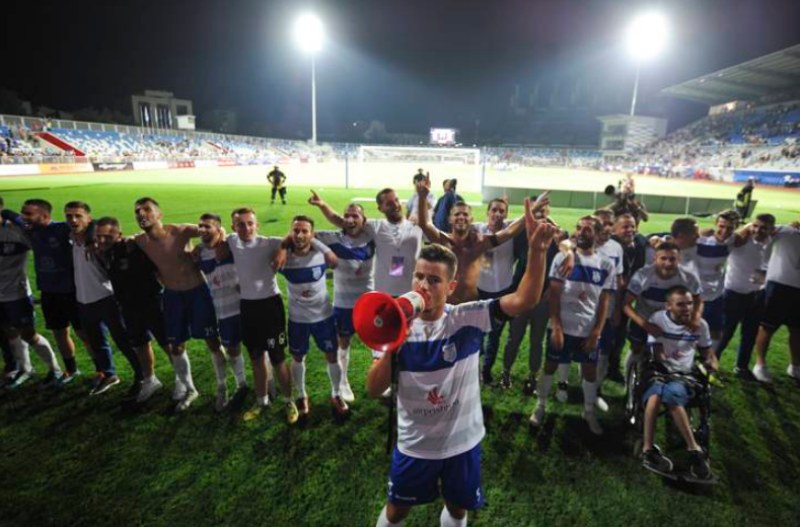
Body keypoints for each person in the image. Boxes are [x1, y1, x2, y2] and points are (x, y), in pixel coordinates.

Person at [367, 199, 559, 527]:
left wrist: (538, 251)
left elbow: (525, 299)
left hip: (462, 443)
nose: (423, 286)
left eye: (434, 280)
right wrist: (390, 349)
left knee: (457, 509)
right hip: (415, 445)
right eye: (419, 277)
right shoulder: (397, 322)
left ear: (451, 286)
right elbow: (374, 389)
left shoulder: (466, 318)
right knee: (396, 511)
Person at [133, 197, 228, 412]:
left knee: (213, 342)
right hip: (172, 296)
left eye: (147, 209)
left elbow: (214, 228)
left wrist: (217, 240)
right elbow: (119, 240)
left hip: (198, 292)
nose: (141, 214)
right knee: (176, 347)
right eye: (137, 211)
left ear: (159, 214)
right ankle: (190, 389)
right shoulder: (139, 241)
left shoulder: (180, 231)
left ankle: (222, 387)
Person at [310, 188, 423, 364]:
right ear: (380, 208)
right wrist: (322, 205)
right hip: (383, 294)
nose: (395, 204)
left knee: (408, 341)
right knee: (381, 340)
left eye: (396, 200)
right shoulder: (375, 226)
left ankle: (404, 373)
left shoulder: (415, 227)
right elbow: (342, 221)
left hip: (408, 292)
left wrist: (422, 198)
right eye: (388, 203)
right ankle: (380, 371)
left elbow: (433, 233)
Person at [530, 216, 616, 435]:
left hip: (587, 330)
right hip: (562, 328)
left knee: (589, 371)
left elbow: (604, 302)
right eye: (579, 228)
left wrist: (596, 333)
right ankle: (540, 405)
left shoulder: (606, 264)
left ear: (598, 234)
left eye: (587, 229)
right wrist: (556, 327)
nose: (580, 232)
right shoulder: (563, 257)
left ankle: (588, 411)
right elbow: (554, 295)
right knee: (550, 366)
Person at [3, 198, 88, 385]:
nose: (23, 217)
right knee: (59, 333)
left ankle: (104, 372)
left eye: (28, 213)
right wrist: (7, 213)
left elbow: (89, 226)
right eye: (23, 213)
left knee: (84, 334)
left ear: (44, 215)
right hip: (49, 292)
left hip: (71, 291)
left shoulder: (61, 229)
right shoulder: (30, 229)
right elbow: (13, 216)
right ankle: (71, 369)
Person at [225, 207, 298, 423]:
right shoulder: (231, 240)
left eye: (250, 223)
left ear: (257, 225)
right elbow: (213, 234)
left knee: (277, 358)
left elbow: (292, 236)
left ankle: (289, 401)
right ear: (233, 227)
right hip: (248, 306)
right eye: (240, 224)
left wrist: (282, 249)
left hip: (269, 305)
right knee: (255, 357)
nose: (246, 228)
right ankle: (261, 400)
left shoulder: (268, 242)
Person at [641, 285, 718, 480]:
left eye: (690, 303)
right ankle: (652, 449)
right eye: (681, 304)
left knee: (671, 392)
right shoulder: (658, 319)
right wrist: (667, 365)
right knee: (657, 393)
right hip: (659, 369)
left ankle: (691, 449)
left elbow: (708, 353)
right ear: (668, 306)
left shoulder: (701, 325)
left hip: (685, 375)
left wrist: (711, 362)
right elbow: (657, 353)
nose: (687, 308)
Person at [67, 201, 143, 396]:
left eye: (78, 216)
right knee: (97, 342)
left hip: (106, 298)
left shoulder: (98, 241)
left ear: (88, 219)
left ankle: (143, 375)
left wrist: (93, 238)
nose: (73, 220)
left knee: (123, 340)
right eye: (69, 216)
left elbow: (106, 229)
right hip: (83, 300)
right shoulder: (69, 238)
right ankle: (109, 374)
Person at [415, 174, 528, 304]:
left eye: (465, 214)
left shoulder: (480, 243)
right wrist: (422, 197)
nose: (461, 217)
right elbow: (424, 224)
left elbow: (509, 231)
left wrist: (531, 212)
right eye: (457, 214)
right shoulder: (444, 241)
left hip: (471, 305)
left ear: (471, 220)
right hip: (446, 304)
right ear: (450, 219)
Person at [93, 216, 168, 403]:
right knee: (140, 343)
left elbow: (158, 259)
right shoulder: (104, 253)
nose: (102, 240)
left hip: (151, 302)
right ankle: (150, 380)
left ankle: (184, 381)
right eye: (99, 236)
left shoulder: (133, 247)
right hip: (128, 306)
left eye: (108, 236)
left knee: (168, 342)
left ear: (119, 235)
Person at [279, 215, 345, 417]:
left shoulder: (321, 254)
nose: (299, 235)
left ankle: (336, 393)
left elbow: (334, 262)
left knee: (332, 356)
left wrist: (314, 241)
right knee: (298, 357)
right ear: (290, 232)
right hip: (298, 319)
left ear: (312, 234)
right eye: (295, 230)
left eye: (304, 231)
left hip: (323, 316)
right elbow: (274, 265)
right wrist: (283, 246)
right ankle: (301, 395)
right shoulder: (285, 257)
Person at [500, 196, 567, 394]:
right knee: (514, 338)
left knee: (537, 341)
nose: (540, 216)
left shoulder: (555, 236)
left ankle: (532, 376)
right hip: (521, 296)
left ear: (549, 213)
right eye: (536, 212)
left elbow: (568, 246)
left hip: (543, 299)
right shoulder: (521, 235)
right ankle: (506, 372)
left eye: (544, 212)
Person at [313, 202, 376, 402]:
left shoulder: (372, 235)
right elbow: (306, 235)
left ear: (364, 220)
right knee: (343, 342)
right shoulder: (333, 238)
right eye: (347, 216)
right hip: (343, 304)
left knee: (377, 340)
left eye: (355, 216)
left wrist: (395, 273)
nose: (350, 219)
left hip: (368, 301)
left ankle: (379, 380)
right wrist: (326, 252)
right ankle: (342, 382)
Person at [0, 197, 62, 389]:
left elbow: (44, 241)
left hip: (16, 293)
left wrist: (17, 218)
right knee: (9, 331)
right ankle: (25, 369)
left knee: (28, 334)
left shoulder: (17, 231)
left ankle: (55, 369)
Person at [623, 241, 703, 373]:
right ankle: (630, 381)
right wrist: (646, 325)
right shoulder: (643, 275)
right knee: (637, 349)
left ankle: (665, 378)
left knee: (668, 353)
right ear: (655, 259)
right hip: (644, 318)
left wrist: (695, 318)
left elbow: (699, 300)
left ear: (679, 260)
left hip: (672, 320)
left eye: (672, 259)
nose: (668, 263)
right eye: (663, 258)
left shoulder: (688, 277)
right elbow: (626, 304)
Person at [196, 213, 249, 409]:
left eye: (207, 226)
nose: (202, 229)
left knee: (252, 347)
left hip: (242, 305)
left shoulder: (231, 244)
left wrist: (224, 238)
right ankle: (236, 384)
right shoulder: (199, 252)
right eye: (200, 226)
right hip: (220, 307)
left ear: (218, 229)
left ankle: (264, 384)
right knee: (229, 348)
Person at [715, 214, 773, 378]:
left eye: (763, 228)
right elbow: (722, 238)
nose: (758, 230)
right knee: (725, 333)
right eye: (755, 226)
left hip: (757, 293)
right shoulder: (740, 240)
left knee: (750, 334)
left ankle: (741, 367)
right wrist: (746, 227)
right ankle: (711, 363)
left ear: (770, 229)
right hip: (733, 293)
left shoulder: (770, 241)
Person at [752, 221, 800, 383]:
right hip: (779, 285)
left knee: (797, 330)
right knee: (768, 326)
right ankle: (760, 364)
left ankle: (795, 366)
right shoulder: (787, 230)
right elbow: (759, 226)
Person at [475, 198, 516, 387]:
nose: (497, 214)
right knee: (477, 334)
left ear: (506, 214)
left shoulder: (511, 230)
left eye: (502, 211)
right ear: (487, 212)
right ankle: (474, 370)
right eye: (494, 210)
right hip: (479, 292)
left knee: (494, 335)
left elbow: (530, 219)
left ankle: (486, 373)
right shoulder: (477, 229)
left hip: (502, 293)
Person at [607, 213, 649, 382]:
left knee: (620, 336)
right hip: (609, 297)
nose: (630, 230)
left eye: (632, 226)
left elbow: (656, 236)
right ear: (614, 230)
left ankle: (613, 367)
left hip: (629, 297)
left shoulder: (640, 241)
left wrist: (657, 238)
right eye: (625, 226)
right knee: (607, 334)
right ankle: (596, 369)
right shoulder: (609, 246)